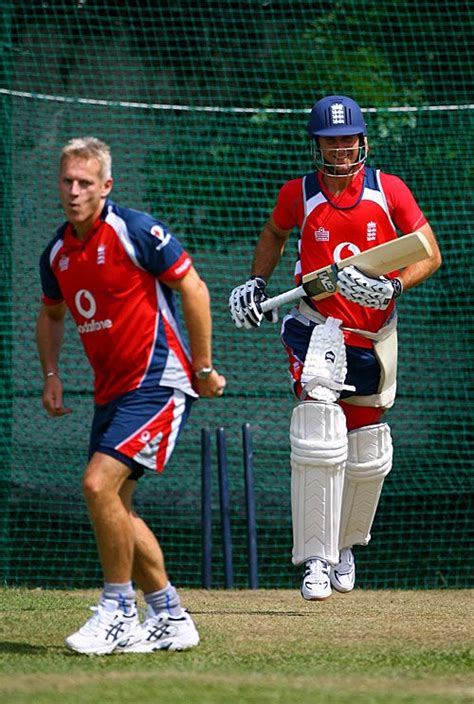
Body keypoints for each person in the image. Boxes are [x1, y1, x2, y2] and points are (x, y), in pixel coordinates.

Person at [228, 95, 441, 601]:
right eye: (331, 142)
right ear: (317, 146)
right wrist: (258, 282)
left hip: (373, 333)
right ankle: (316, 560)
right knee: (320, 428)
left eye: (348, 140)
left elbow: (428, 251)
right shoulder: (299, 194)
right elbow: (276, 233)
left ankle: (345, 547)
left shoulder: (389, 191)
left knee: (368, 450)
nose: (342, 151)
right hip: (316, 326)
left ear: (362, 140)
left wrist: (395, 288)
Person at [36, 137, 226, 654]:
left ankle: (118, 608)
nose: (74, 192)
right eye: (67, 182)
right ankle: (169, 615)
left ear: (106, 187)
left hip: (160, 383)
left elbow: (195, 289)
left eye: (85, 183)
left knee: (97, 485)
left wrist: (204, 367)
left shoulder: (135, 230)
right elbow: (52, 314)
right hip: (111, 394)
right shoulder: (56, 253)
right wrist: (51, 373)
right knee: (116, 504)